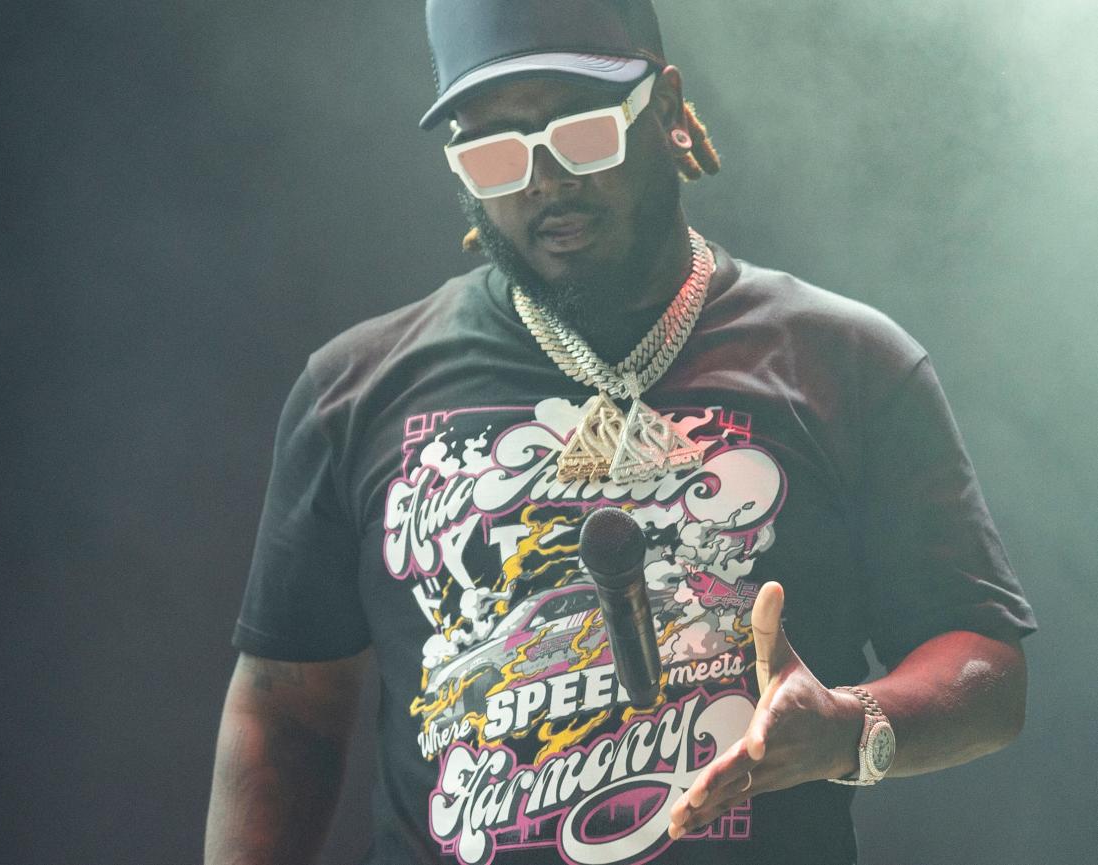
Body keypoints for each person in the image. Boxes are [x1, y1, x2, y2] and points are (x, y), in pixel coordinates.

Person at [204, 1, 1036, 863]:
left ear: (668, 114)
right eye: (494, 151)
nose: (543, 180)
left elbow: (985, 666)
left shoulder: (847, 363)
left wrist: (849, 727)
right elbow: (283, 707)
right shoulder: (354, 389)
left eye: (584, 131)